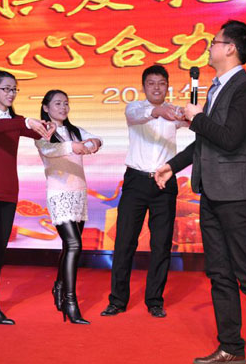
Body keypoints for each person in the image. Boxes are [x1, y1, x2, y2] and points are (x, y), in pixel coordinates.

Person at [155, 21, 246, 364]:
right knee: (219, 274)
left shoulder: (245, 88)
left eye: (214, 42)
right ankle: (231, 348)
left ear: (230, 48)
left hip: (241, 195)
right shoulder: (216, 89)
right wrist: (172, 165)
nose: (209, 47)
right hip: (213, 193)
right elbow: (206, 142)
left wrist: (197, 118)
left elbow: (230, 139)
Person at [101, 65, 187, 320]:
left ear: (168, 86)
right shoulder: (134, 108)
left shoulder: (174, 111)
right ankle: (117, 300)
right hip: (136, 182)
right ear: (144, 86)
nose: (157, 87)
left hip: (165, 184)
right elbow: (141, 115)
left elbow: (191, 121)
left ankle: (155, 301)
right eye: (151, 83)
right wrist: (158, 111)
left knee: (161, 244)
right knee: (124, 241)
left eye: (161, 83)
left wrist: (190, 114)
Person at [0, 70, 53, 325]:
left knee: (2, 246)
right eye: (6, 89)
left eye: (14, 89)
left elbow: (37, 133)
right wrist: (26, 122)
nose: (10, 93)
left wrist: (47, 126)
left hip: (9, 189)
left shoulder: (16, 121)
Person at [36, 89, 102, 324]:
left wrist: (93, 143)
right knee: (75, 244)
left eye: (65, 103)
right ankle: (70, 302)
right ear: (46, 108)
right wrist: (73, 147)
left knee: (69, 245)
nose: (63, 107)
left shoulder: (74, 131)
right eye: (57, 103)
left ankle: (59, 286)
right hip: (59, 194)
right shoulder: (42, 131)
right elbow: (49, 149)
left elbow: (96, 140)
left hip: (78, 194)